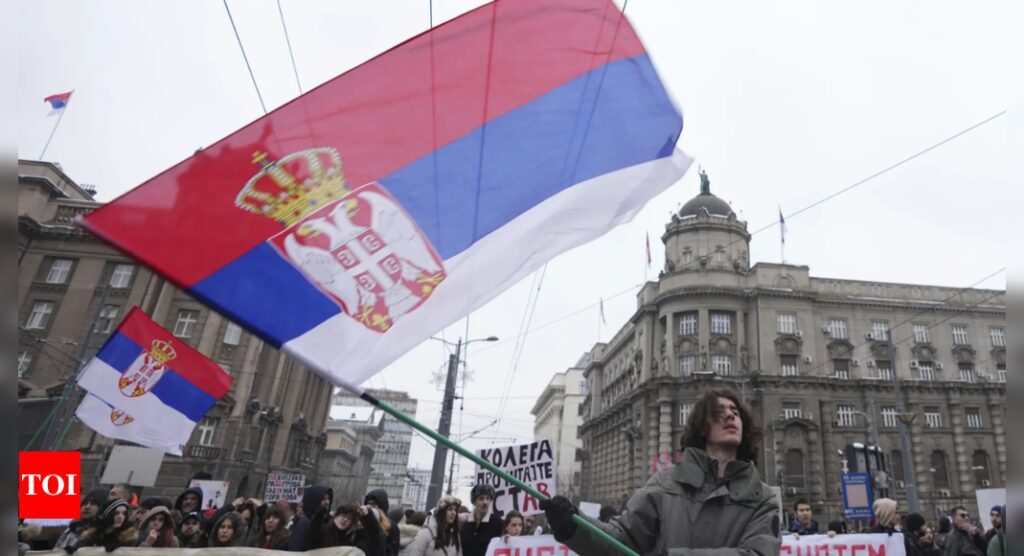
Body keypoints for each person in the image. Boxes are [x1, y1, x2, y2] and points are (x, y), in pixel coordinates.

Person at [541, 389, 781, 555]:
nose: (730, 415)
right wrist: (574, 526)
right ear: (702, 427)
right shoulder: (665, 484)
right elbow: (623, 540)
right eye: (719, 412)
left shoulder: (762, 498)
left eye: (736, 412)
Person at [310, 503, 385, 555]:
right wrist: (320, 513)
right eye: (343, 515)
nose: (345, 519)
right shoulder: (324, 531)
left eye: (349, 518)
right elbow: (313, 533)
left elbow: (374, 535)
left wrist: (367, 516)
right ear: (336, 515)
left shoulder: (350, 540)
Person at [71, 498, 138, 553]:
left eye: (123, 513)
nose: (120, 517)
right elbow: (80, 548)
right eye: (116, 513)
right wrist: (73, 550)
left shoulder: (127, 538)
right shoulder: (92, 535)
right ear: (106, 516)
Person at [461, 484, 504, 556]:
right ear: (474, 502)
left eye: (488, 498)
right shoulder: (466, 525)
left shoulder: (498, 523)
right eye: (481, 499)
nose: (485, 502)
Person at [287, 485, 334, 551]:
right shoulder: (305, 524)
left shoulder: (329, 522)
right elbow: (295, 550)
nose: (327, 502)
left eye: (328, 498)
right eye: (323, 499)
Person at [365, 488, 400, 556]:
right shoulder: (363, 522)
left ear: (382, 506)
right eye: (367, 504)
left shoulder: (391, 526)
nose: (369, 507)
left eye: (374, 504)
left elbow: (393, 550)